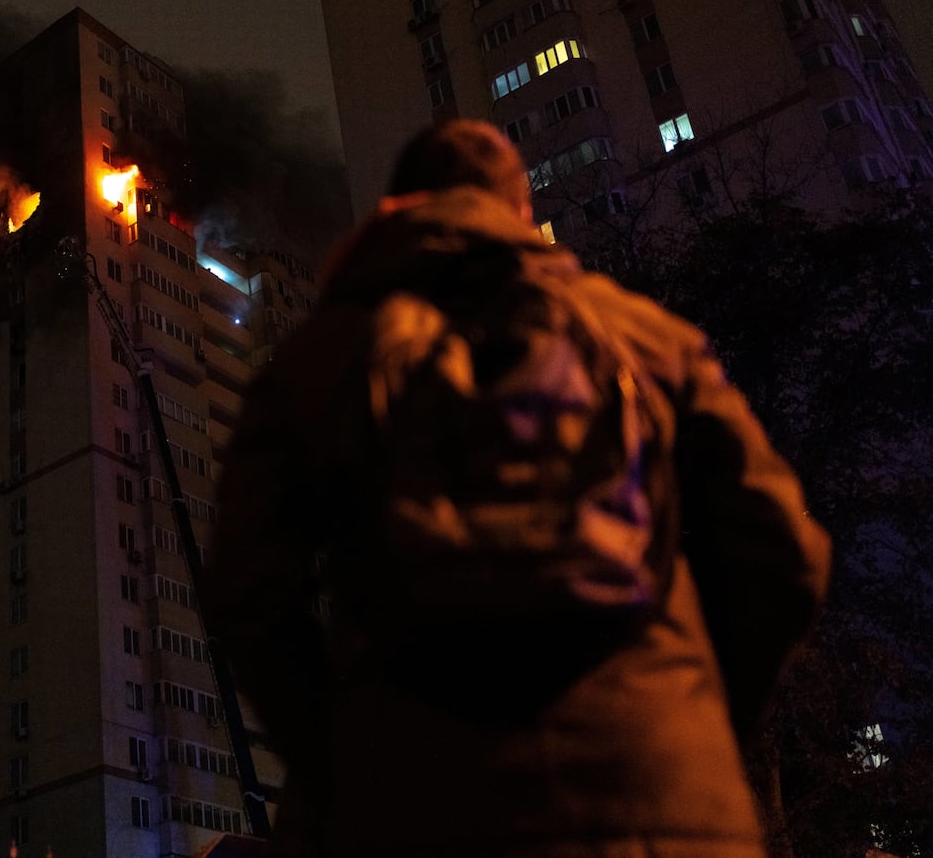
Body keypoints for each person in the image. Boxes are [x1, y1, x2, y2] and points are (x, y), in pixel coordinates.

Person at [204, 121, 832, 858]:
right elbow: (787, 554)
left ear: (397, 209)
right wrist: (693, 716)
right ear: (521, 214)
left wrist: (349, 764)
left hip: (419, 811)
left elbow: (247, 594)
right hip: (665, 798)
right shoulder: (647, 337)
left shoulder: (317, 360)